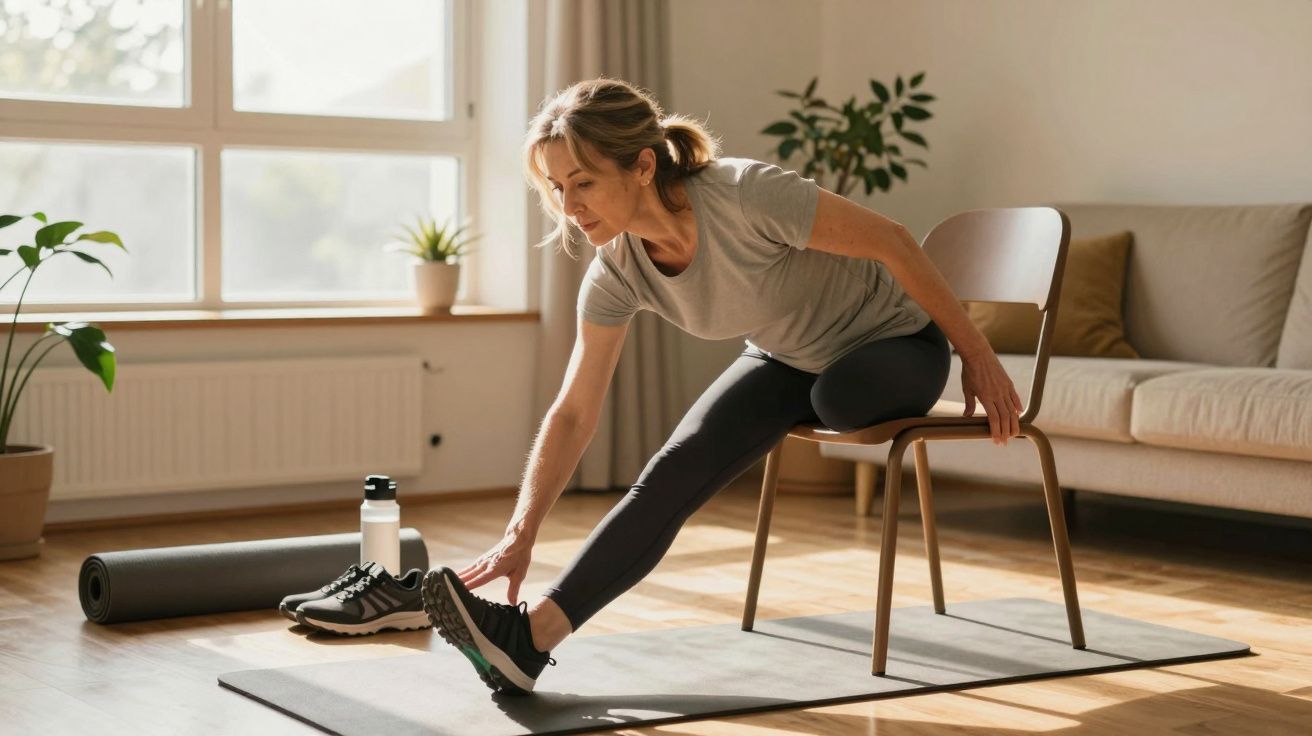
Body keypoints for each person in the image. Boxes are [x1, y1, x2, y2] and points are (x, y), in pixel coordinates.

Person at [419, 78, 1023, 695]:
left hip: (896, 346)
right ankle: (530, 638)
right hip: (789, 362)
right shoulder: (617, 272)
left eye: (584, 181)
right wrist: (520, 534)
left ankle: (529, 637)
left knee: (837, 399)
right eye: (557, 187)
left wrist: (978, 356)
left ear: (643, 166)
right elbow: (574, 411)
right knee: (675, 467)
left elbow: (895, 242)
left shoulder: (744, 195)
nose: (570, 205)